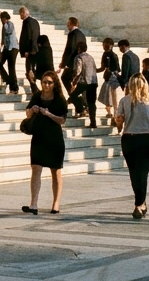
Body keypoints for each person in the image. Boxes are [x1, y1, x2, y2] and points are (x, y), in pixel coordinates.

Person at [21, 70, 68, 215]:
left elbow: (62, 120)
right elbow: (27, 112)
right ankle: (33, 204)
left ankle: (56, 204)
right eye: (44, 82)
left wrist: (48, 114)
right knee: (36, 169)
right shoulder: (37, 96)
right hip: (39, 137)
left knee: (56, 171)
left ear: (54, 84)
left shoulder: (60, 99)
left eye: (49, 82)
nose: (46, 85)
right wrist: (32, 110)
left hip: (54, 139)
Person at [115, 73, 149, 219]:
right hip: (145, 138)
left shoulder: (124, 101)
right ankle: (140, 203)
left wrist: (119, 122)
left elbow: (119, 124)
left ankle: (139, 203)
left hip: (129, 138)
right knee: (142, 173)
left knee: (134, 173)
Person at [69, 42, 98, 128]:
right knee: (92, 103)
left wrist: (74, 80)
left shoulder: (79, 57)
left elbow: (78, 70)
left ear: (79, 49)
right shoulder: (90, 57)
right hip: (93, 82)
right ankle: (93, 122)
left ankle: (80, 108)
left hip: (83, 82)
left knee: (73, 96)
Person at [0, 11, 20, 94]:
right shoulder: (4, 25)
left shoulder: (9, 24)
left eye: (3, 18)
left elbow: (8, 31)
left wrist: (5, 22)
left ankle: (14, 87)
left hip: (13, 48)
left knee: (11, 68)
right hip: (7, 48)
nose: (1, 20)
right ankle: (8, 80)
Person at [59, 17, 86, 90]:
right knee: (72, 80)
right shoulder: (82, 34)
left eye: (68, 23)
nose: (67, 25)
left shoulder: (72, 34)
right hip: (81, 60)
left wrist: (64, 63)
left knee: (64, 78)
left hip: (72, 62)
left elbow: (69, 49)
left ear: (71, 24)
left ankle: (73, 97)